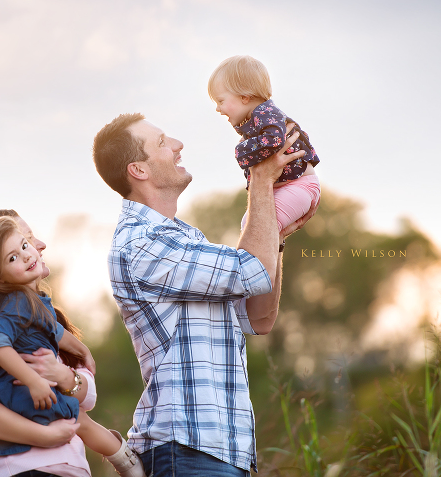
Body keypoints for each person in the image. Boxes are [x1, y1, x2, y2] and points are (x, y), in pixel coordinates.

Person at [91, 113, 318, 476]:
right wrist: (260, 180)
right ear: (139, 170)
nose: (178, 145)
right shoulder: (143, 242)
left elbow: (258, 317)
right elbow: (250, 271)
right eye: (163, 142)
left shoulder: (185, 238)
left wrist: (278, 238)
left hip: (221, 450)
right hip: (186, 449)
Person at [0, 210, 132, 477]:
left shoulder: (44, 314)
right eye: (24, 240)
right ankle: (129, 461)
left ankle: (128, 460)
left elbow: (89, 395)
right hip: (19, 469)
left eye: (26, 242)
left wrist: (63, 375)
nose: (39, 245)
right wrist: (42, 435)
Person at [208, 55, 321, 232]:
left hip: (299, 185)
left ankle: (267, 251)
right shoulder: (257, 120)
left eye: (220, 101)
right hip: (286, 188)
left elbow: (273, 141)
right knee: (249, 225)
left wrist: (241, 151)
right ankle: (274, 250)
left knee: (260, 229)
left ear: (244, 97)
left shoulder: (266, 113)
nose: (217, 108)